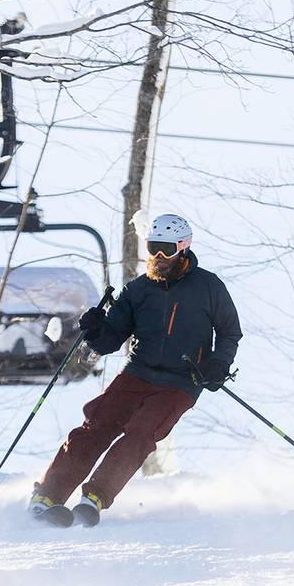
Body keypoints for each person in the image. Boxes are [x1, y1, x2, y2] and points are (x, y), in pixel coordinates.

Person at [29, 213, 241, 526]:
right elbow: (110, 340)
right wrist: (94, 329)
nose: (158, 256)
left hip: (181, 381)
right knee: (97, 426)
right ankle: (47, 496)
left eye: (165, 249)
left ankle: (95, 497)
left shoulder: (208, 287)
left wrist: (218, 363)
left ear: (183, 249)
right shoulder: (138, 289)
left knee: (141, 433)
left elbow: (229, 332)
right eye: (152, 247)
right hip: (138, 374)